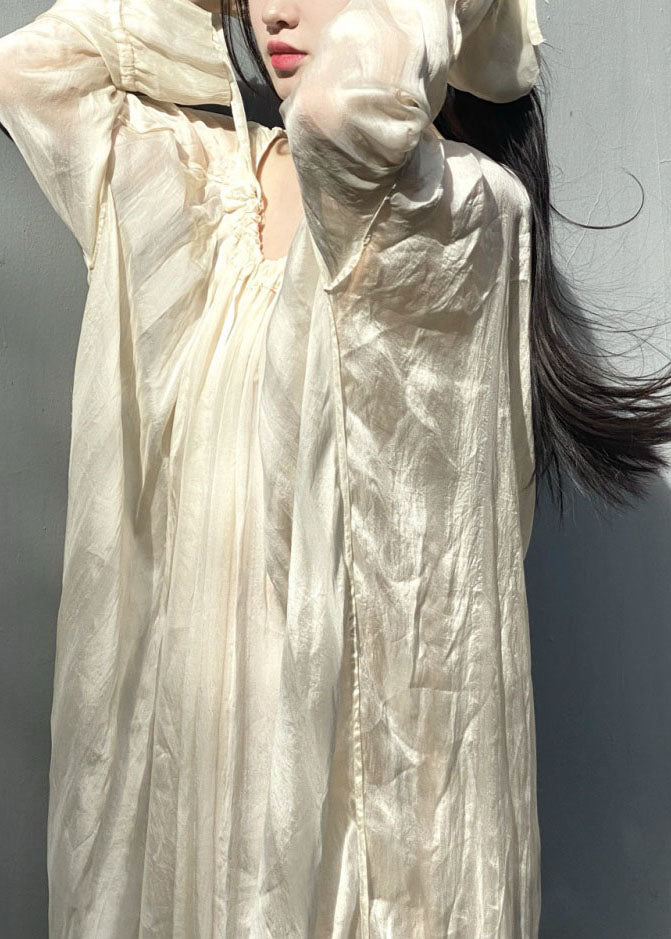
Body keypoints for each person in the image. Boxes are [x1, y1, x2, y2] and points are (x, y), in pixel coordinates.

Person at [2, 1, 671, 936]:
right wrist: (217, 19)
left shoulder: (453, 205)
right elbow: (33, 68)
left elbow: (346, 111)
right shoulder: (193, 184)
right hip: (187, 777)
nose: (274, 8)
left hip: (357, 819)